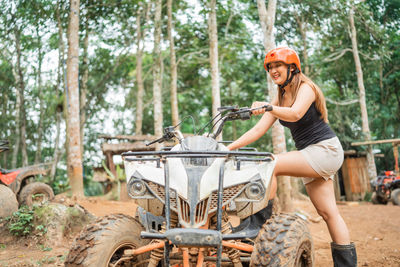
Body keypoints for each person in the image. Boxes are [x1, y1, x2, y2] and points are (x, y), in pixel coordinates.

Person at [227, 47, 357, 267]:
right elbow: (257, 131)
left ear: (292, 68)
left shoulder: (307, 88)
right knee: (328, 212)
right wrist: (227, 149)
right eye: (270, 67)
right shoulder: (280, 97)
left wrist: (268, 107)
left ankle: (256, 228)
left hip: (324, 150)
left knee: (271, 163)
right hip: (311, 154)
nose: (273, 71)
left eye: (278, 65)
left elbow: (296, 113)